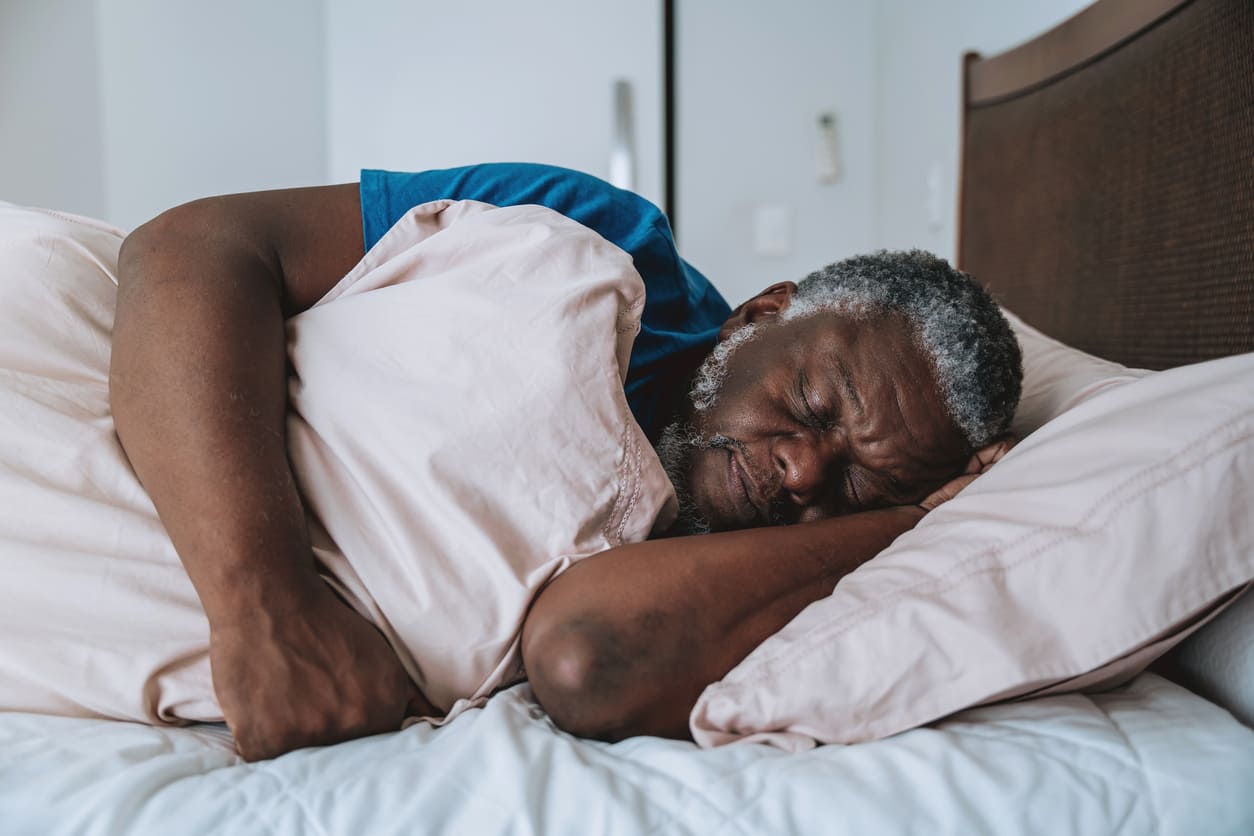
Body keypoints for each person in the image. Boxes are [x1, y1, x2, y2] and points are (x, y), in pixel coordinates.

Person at [110, 163, 1021, 760]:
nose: (804, 475)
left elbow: (590, 656)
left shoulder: (758, 568)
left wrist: (914, 523)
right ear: (759, 313)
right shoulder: (592, 241)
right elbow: (186, 248)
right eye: (814, 407)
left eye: (862, 481)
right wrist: (265, 603)